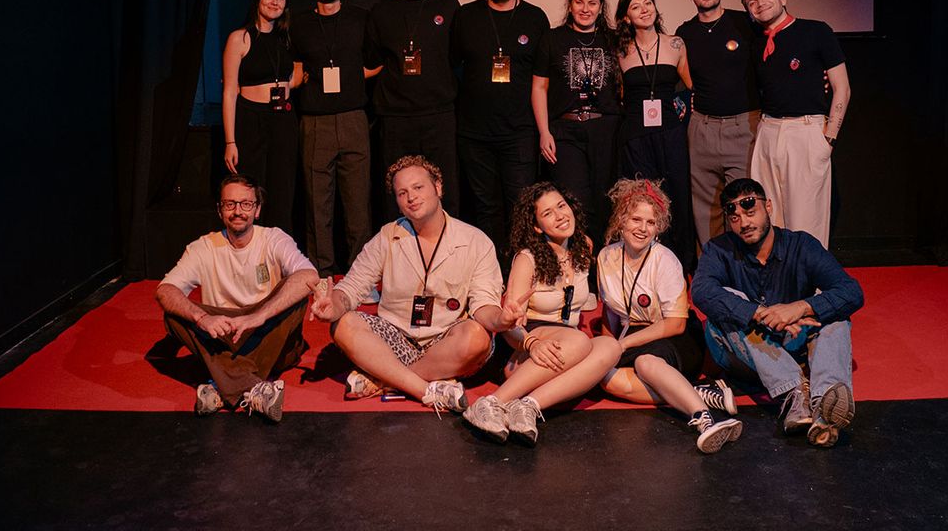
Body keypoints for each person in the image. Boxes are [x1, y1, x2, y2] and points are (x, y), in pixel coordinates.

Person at [309, 155, 510, 415]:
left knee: (477, 338)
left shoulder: (475, 241)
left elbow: (483, 307)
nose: (411, 197)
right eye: (402, 193)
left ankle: (385, 379)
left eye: (418, 187)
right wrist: (333, 306)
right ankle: (424, 388)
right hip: (395, 337)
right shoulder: (387, 236)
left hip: (445, 341)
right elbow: (351, 289)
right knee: (343, 324)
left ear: (438, 187)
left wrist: (501, 319)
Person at [691, 178, 862, 447]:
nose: (744, 223)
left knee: (834, 314)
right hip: (744, 352)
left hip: (795, 341)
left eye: (751, 212)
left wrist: (800, 307)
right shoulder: (719, 249)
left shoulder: (801, 245)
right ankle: (795, 393)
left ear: (768, 207)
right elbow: (701, 291)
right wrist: (759, 313)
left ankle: (824, 406)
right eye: (735, 217)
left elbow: (852, 292)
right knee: (728, 304)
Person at [462, 182, 621, 445]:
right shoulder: (527, 259)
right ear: (537, 227)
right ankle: (490, 403)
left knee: (610, 347)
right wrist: (531, 343)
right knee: (580, 340)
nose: (560, 216)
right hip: (526, 347)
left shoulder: (584, 246)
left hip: (565, 350)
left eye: (561, 206)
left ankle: (528, 406)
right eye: (548, 213)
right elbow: (510, 324)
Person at [154, 174, 319, 422]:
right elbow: (165, 290)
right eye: (230, 204)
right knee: (174, 316)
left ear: (257, 210)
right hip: (224, 334)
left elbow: (309, 276)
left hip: (267, 333)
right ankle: (254, 388)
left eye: (246, 204)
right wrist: (202, 318)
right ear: (220, 210)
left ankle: (221, 384)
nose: (238, 211)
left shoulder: (273, 238)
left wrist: (258, 317)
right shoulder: (202, 247)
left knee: (296, 294)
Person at [594, 179, 742, 453]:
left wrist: (622, 345)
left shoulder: (665, 260)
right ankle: (696, 392)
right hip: (633, 335)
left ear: (658, 227)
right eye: (636, 219)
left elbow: (675, 324)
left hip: (675, 337)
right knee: (606, 379)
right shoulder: (606, 257)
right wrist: (607, 347)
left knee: (646, 364)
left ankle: (704, 418)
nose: (643, 228)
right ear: (621, 220)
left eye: (651, 222)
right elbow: (610, 310)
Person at [450, 0, 550, 261]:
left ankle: (523, 269)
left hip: (519, 131)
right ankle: (492, 272)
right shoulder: (465, 16)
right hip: (474, 133)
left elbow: (543, 79)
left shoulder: (535, 18)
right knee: (485, 207)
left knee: (521, 205)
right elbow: (452, 67)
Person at [740, 0, 851, 248]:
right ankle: (777, 274)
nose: (760, 4)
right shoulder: (756, 44)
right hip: (768, 130)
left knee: (806, 220)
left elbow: (842, 88)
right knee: (768, 216)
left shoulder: (816, 31)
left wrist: (829, 138)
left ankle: (807, 275)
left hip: (805, 130)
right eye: (752, 2)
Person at [290, 0, 380, 276]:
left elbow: (376, 62)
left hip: (354, 118)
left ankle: (361, 274)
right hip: (315, 122)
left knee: (358, 204)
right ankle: (322, 272)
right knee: (317, 204)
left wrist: (353, 78)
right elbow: (295, 69)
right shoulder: (299, 24)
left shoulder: (361, 19)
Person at [366, 0, 461, 220]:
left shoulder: (447, 4)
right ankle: (399, 242)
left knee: (444, 187)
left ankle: (448, 243)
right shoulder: (381, 11)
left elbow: (459, 55)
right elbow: (372, 61)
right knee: (396, 188)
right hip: (395, 117)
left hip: (439, 113)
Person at [675, 0, 761, 252]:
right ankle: (712, 268)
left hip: (744, 126)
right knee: (705, 208)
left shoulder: (745, 23)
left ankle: (745, 266)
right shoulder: (684, 33)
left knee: (744, 202)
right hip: (702, 127)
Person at [532, 0, 621, 249]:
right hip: (565, 131)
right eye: (579, 2)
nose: (585, 9)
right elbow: (539, 87)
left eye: (592, 3)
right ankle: (578, 263)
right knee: (574, 201)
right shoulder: (552, 38)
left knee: (605, 200)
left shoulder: (613, 40)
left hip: (605, 130)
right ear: (570, 5)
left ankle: (602, 265)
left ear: (601, 7)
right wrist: (544, 132)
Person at [613, 0, 696, 268]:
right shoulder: (620, 51)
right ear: (626, 17)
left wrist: (682, 107)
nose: (644, 9)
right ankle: (645, 264)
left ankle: (681, 266)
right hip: (635, 135)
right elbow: (619, 95)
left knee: (677, 195)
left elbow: (690, 87)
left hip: (670, 133)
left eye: (648, 2)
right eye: (636, 6)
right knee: (642, 199)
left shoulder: (675, 44)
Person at [221, 0, 303, 233]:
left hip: (283, 119)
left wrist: (287, 86)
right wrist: (230, 141)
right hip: (250, 118)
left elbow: (296, 74)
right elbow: (229, 92)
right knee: (251, 190)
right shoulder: (240, 38)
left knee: (283, 190)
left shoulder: (287, 38)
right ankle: (249, 249)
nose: (275, 2)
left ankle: (280, 251)